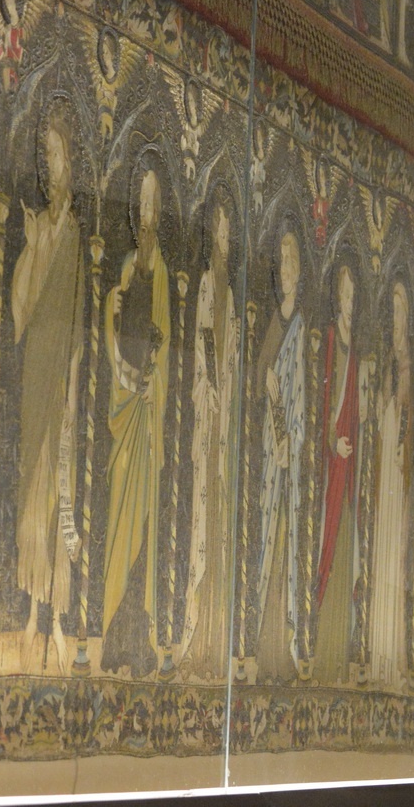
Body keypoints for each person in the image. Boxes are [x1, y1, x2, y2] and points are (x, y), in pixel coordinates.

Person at [12, 110, 84, 674]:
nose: (51, 165)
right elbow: (24, 305)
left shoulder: (76, 234)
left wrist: (73, 391)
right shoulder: (40, 226)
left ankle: (57, 616)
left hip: (59, 378)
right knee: (32, 494)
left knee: (59, 494)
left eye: (57, 155)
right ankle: (32, 614)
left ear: (70, 163)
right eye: (46, 157)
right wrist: (32, 246)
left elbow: (77, 321)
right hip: (36, 368)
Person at [102, 168, 170, 678]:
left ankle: (136, 637)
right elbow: (113, 327)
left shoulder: (162, 273)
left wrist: (152, 382)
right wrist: (125, 375)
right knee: (118, 516)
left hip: (147, 415)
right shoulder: (127, 268)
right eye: (140, 204)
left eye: (153, 204)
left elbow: (166, 343)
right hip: (124, 405)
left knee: (144, 521)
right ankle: (109, 630)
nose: (146, 214)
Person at [181, 199, 238, 678]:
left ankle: (217, 638)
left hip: (223, 428)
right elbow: (202, 342)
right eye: (219, 232)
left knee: (219, 524)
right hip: (207, 418)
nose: (224, 241)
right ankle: (195, 631)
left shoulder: (232, 296)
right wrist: (211, 388)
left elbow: (230, 355)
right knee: (201, 522)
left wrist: (227, 385)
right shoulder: (204, 285)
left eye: (228, 234)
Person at [255, 230, 306, 682]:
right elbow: (261, 372)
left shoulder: (302, 327)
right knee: (268, 542)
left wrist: (295, 437)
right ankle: (264, 647)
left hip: (292, 456)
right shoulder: (276, 321)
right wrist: (266, 381)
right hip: (272, 453)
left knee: (287, 543)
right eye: (282, 261)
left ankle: (285, 649)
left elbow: (305, 390)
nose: (286, 268)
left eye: (292, 261)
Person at [313, 264, 366, 685]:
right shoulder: (332, 341)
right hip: (333, 465)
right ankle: (323, 649)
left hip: (350, 470)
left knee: (347, 544)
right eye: (344, 296)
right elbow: (324, 398)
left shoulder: (358, 351)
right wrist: (333, 441)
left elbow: (358, 408)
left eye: (354, 297)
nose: (349, 303)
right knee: (327, 543)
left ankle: (340, 650)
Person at [369, 280, 413, 690]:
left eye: (402, 312)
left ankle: (392, 654)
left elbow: (408, 426)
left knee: (393, 563)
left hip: (397, 475)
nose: (397, 319)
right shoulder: (386, 365)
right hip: (383, 470)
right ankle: (377, 659)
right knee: (380, 551)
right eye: (393, 311)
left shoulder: (408, 370)